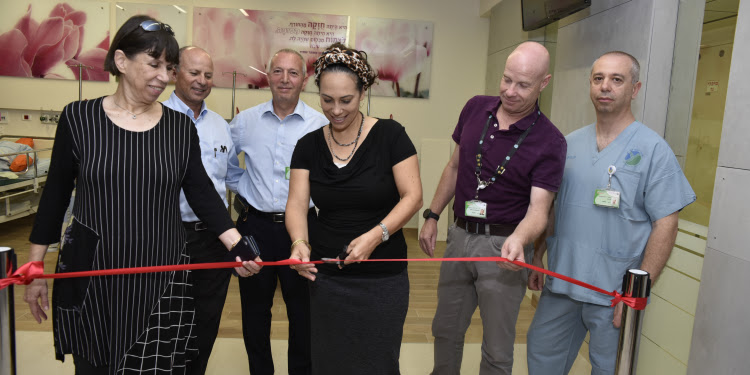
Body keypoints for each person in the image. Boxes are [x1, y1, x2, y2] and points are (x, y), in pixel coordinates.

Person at [23, 15, 261, 374]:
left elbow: (203, 195)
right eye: (154, 65)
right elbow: (55, 197)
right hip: (93, 269)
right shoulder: (79, 118)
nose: (164, 77)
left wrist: (237, 244)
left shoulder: (179, 128)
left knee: (157, 364)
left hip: (160, 271)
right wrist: (36, 265)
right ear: (121, 61)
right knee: (95, 364)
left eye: (169, 67)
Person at [526, 51, 696, 375]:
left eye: (617, 80)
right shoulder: (568, 145)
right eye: (598, 78)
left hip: (613, 294)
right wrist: (538, 255)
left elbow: (666, 225)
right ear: (590, 85)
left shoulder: (653, 150)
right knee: (541, 356)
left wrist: (635, 295)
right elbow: (552, 207)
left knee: (610, 369)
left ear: (634, 89)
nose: (606, 86)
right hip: (562, 282)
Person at [418, 41, 566, 374]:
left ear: (544, 83)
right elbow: (454, 167)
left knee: (497, 348)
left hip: (504, 248)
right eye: (507, 79)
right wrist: (432, 215)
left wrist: (521, 240)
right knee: (445, 329)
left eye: (523, 85)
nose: (510, 91)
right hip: (458, 237)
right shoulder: (475, 108)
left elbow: (539, 209)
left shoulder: (550, 141)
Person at [286, 43, 423, 375]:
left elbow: (413, 196)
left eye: (345, 100)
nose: (335, 110)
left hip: (382, 278)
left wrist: (377, 236)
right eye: (327, 100)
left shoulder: (391, 135)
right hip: (327, 277)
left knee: (377, 361)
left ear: (363, 92)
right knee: (328, 360)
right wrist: (299, 244)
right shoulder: (307, 146)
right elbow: (297, 203)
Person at [226, 48, 327, 375]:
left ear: (305, 79)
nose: (285, 79)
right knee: (255, 314)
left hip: (304, 233)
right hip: (255, 228)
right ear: (268, 76)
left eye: (293, 73)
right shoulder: (245, 122)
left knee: (304, 314)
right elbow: (226, 166)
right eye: (278, 72)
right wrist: (246, 189)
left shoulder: (320, 124)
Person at [162, 46, 239, 375]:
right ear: (174, 73)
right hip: (166, 237)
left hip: (212, 240)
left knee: (205, 323)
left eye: (208, 75)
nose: (201, 81)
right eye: (194, 73)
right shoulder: (155, 118)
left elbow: (232, 176)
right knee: (164, 323)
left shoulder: (221, 127)